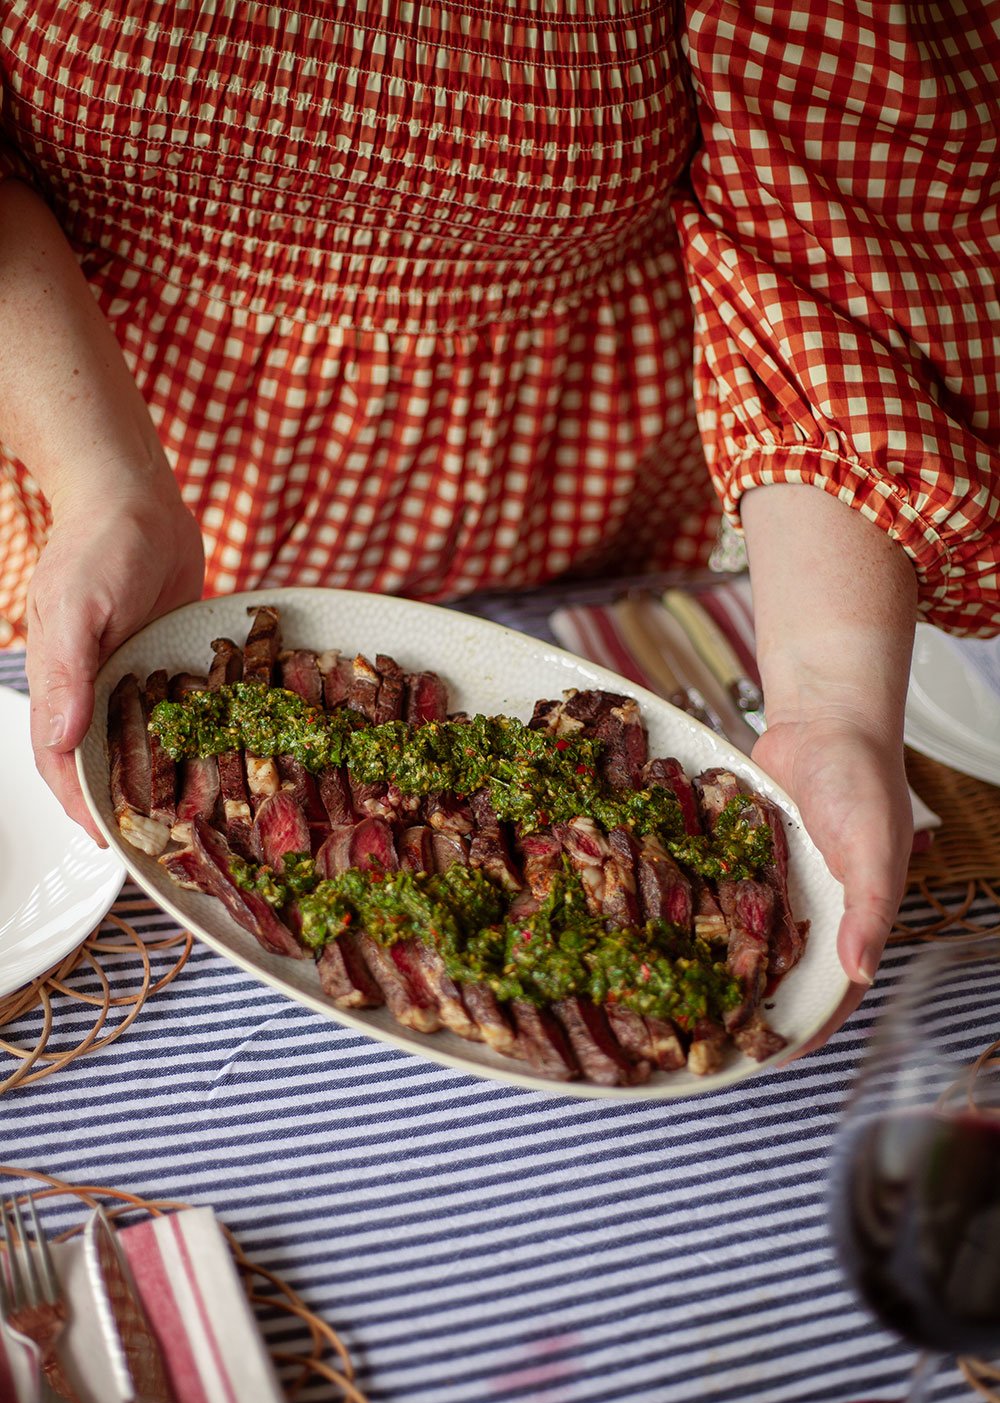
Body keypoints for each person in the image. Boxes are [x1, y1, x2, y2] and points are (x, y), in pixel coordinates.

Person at [1, 3, 997, 1051]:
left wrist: (831, 700)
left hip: (566, 468)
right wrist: (102, 484)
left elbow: (840, 220)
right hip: (97, 431)